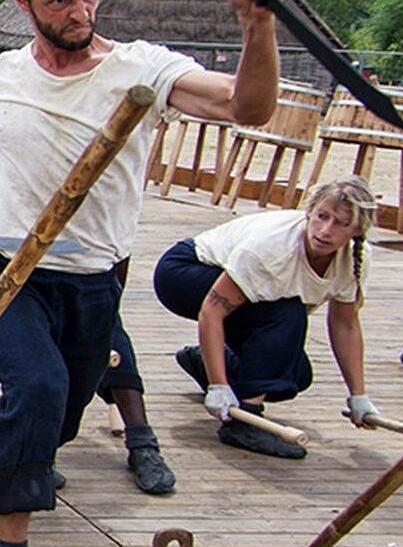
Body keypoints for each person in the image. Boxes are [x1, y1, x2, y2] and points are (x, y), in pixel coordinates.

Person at [0, 0, 286, 547]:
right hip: (3, 270)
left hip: (95, 278)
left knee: (56, 417)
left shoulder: (142, 67)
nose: (81, 14)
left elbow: (249, 107)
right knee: (38, 388)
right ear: (22, 3)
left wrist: (255, 24)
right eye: (61, 2)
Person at [0, 155, 174, 495]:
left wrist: (106, 309)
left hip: (73, 268)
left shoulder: (105, 150)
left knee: (102, 340)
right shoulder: (4, 119)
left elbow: (117, 245)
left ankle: (140, 439)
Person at [156, 176, 381, 459]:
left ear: (357, 230)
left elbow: (345, 324)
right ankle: (244, 421)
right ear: (309, 212)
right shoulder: (272, 247)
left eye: (341, 223)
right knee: (288, 312)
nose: (325, 230)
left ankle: (207, 361)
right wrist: (218, 386)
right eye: (321, 216)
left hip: (247, 294)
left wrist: (358, 395)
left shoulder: (355, 259)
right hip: (185, 273)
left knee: (294, 376)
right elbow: (211, 312)